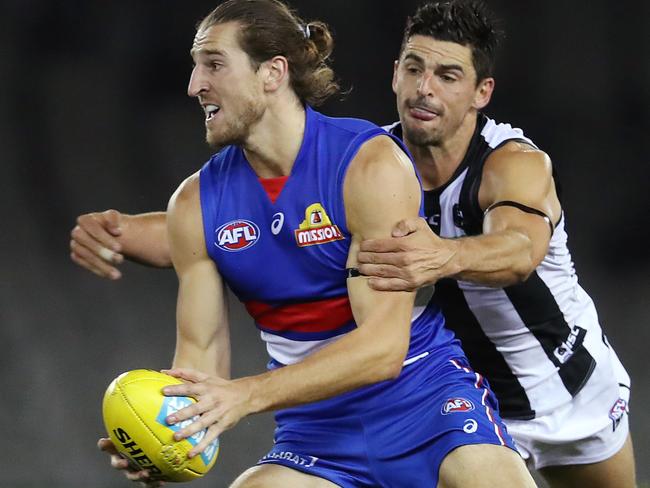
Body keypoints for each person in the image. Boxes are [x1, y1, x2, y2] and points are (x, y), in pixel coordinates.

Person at [71, 1, 636, 487]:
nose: (194, 85)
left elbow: (513, 253)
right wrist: (170, 437)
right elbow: (213, 314)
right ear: (395, 74)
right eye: (414, 68)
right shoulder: (197, 203)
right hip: (320, 424)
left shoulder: (442, 163)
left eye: (213, 65)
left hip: (517, 389)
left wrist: (446, 254)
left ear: (273, 73)